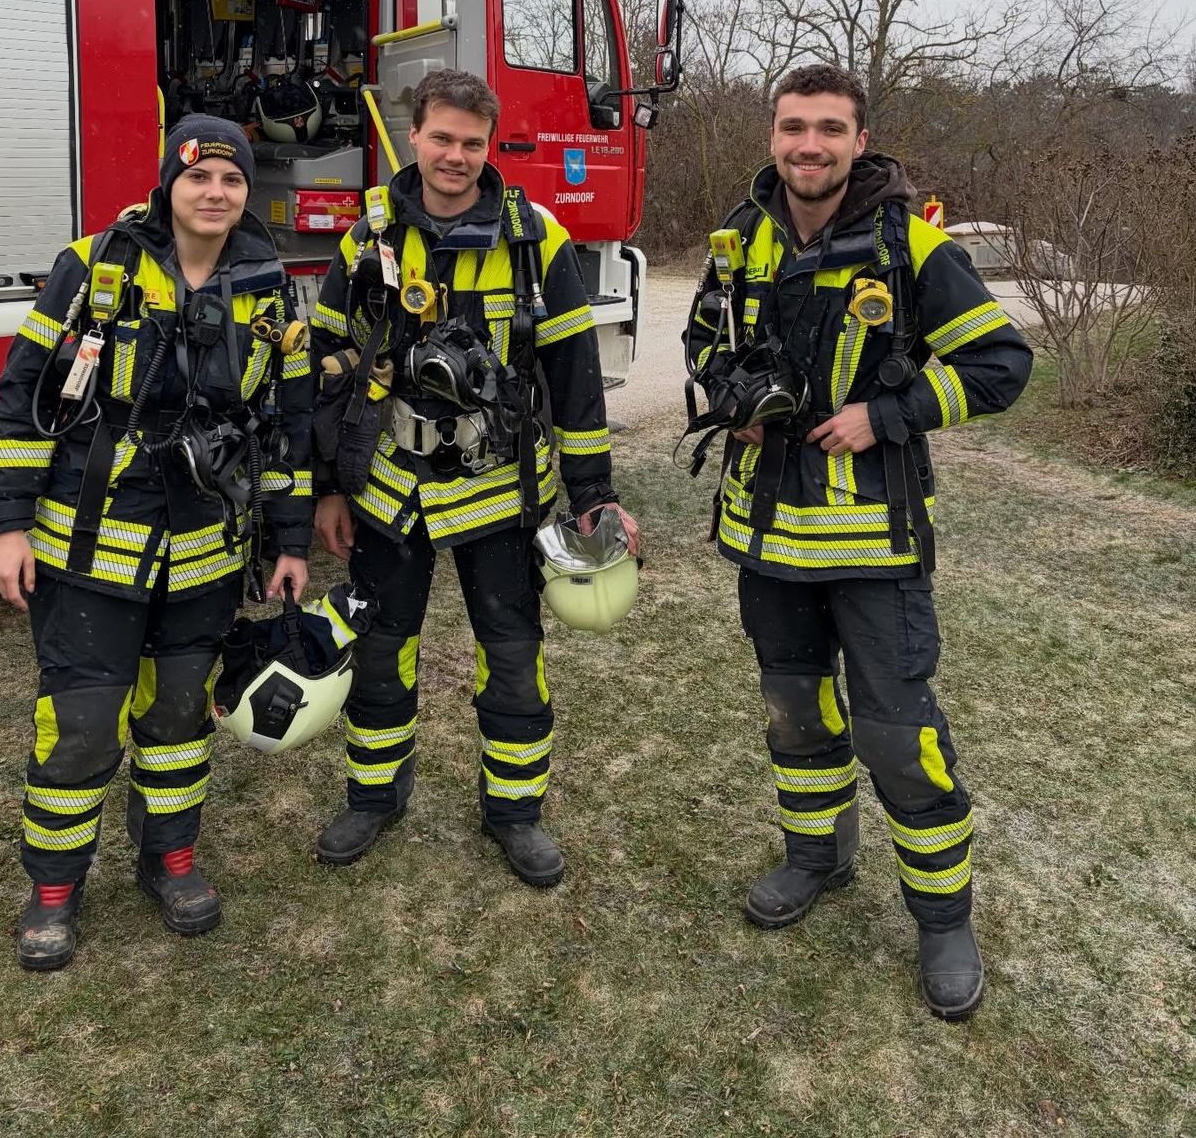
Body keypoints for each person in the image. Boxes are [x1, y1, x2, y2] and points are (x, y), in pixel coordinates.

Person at [683, 64, 1031, 1020]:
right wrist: (731, 396)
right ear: (772, 136)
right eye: (793, 126)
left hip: (874, 541)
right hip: (767, 535)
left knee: (896, 733)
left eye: (828, 129)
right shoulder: (738, 239)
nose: (809, 144)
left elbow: (1002, 364)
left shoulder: (911, 245)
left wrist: (891, 414)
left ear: (857, 139)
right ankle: (816, 857)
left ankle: (943, 918)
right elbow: (701, 341)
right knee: (795, 714)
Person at [0, 117, 312, 971]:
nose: (216, 193)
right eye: (200, 177)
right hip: (88, 546)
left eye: (233, 181)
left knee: (175, 717)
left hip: (203, 548)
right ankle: (53, 887)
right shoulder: (93, 267)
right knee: (83, 723)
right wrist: (9, 524)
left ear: (247, 194)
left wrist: (289, 539)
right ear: (171, 183)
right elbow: (23, 396)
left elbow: (285, 425)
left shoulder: (270, 288)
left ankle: (168, 857)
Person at [311, 68, 638, 887]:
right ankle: (375, 796)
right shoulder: (368, 240)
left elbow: (575, 380)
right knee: (383, 652)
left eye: (472, 142)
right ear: (414, 136)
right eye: (442, 138)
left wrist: (593, 493)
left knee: (513, 656)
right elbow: (323, 368)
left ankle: (515, 814)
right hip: (393, 492)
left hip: (500, 493)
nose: (455, 155)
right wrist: (325, 486)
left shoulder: (538, 239)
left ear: (489, 146)